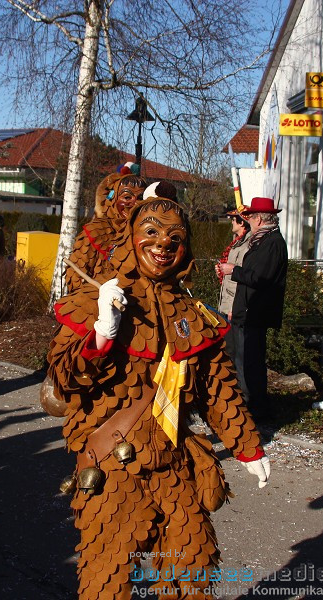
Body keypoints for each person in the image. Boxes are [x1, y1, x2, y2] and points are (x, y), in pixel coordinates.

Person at [48, 193, 270, 600]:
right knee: (108, 576)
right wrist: (101, 333)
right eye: (151, 232)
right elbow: (63, 380)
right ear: (132, 238)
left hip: (174, 460)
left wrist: (249, 449)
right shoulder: (96, 300)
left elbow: (218, 389)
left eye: (175, 237)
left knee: (195, 565)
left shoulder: (193, 314)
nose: (163, 244)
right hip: (112, 466)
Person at [217, 197, 288, 421]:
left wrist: (233, 270)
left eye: (250, 216)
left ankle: (256, 410)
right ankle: (250, 406)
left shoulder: (272, 242)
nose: (247, 220)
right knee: (243, 359)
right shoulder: (261, 240)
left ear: (258, 218)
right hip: (246, 310)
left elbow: (261, 277)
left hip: (255, 312)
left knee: (250, 363)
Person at [64, 165, 147, 292]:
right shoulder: (96, 231)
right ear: (112, 199)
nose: (134, 203)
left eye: (140, 198)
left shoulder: (147, 234)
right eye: (127, 197)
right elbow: (76, 278)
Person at [215, 209, 251, 396]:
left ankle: (242, 395)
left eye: (234, 220)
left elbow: (241, 278)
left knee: (238, 353)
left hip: (233, 306)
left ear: (242, 222)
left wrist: (232, 308)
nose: (231, 222)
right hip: (227, 302)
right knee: (229, 350)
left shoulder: (246, 245)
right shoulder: (236, 243)